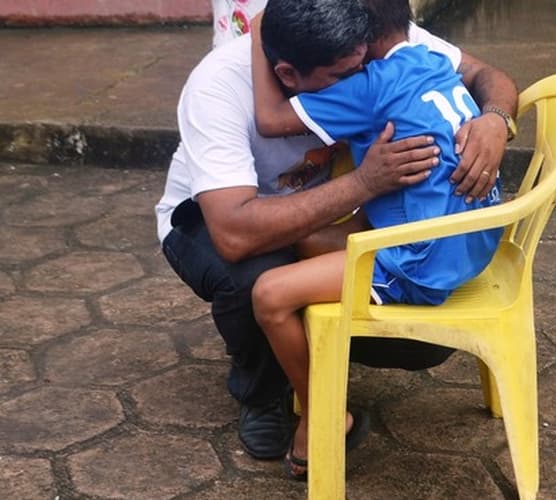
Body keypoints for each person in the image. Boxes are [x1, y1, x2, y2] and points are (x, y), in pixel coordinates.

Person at [155, 0, 518, 461]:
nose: (360, 71)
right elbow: (233, 232)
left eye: (362, 61)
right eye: (345, 72)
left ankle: (313, 357)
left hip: (401, 243)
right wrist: (365, 183)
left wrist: (496, 120)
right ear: (287, 74)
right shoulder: (219, 85)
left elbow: (489, 75)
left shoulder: (365, 42)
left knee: (409, 340)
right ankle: (270, 396)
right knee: (256, 279)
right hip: (212, 216)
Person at [250, 0, 506, 479]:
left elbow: (269, 117)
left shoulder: (369, 85)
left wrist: (258, 27)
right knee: (301, 243)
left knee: (269, 295)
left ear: (358, 40)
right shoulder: (431, 60)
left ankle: (324, 415)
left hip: (422, 261)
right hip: (474, 238)